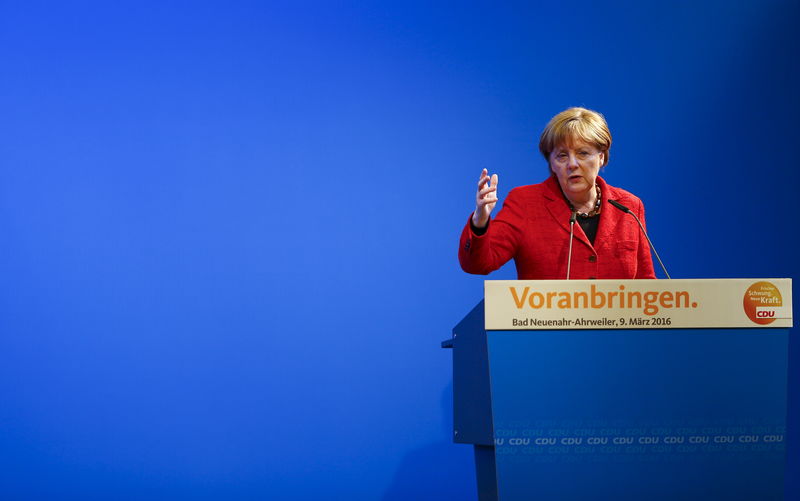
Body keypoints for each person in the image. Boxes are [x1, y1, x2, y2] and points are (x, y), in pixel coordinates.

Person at [458, 107, 656, 280]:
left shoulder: (629, 206)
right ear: (551, 163)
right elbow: (478, 264)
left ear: (601, 157)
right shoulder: (525, 203)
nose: (572, 164)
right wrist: (480, 221)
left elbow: (645, 282)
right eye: (562, 155)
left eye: (583, 153)